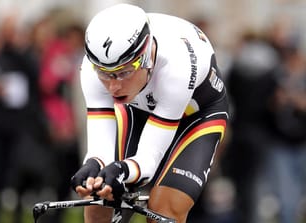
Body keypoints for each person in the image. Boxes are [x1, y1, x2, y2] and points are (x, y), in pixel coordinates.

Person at [70, 4, 229, 223]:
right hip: (138, 107)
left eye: (124, 72)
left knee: (164, 209)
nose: (113, 87)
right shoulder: (91, 66)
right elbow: (100, 142)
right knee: (99, 199)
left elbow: (149, 158)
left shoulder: (177, 66)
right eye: (104, 75)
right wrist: (93, 165)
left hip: (197, 115)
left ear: (146, 58)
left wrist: (122, 170)